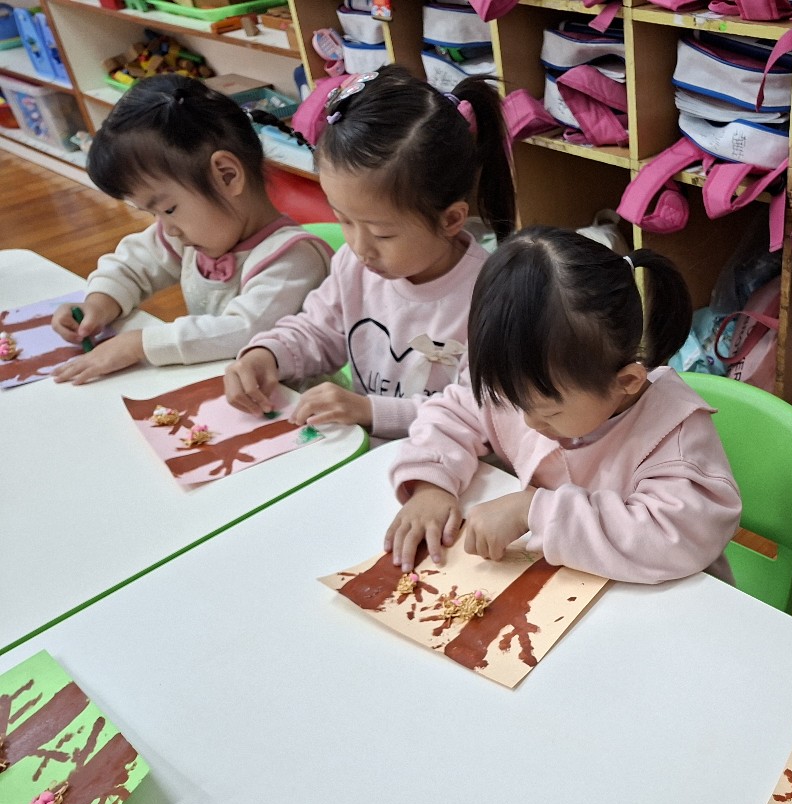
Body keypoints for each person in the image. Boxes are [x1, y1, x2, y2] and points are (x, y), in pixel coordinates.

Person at [384, 226, 742, 584]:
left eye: (549, 413)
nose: (527, 422)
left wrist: (532, 511)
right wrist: (431, 486)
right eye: (512, 401)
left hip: (669, 599)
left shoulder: (674, 436)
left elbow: (669, 539)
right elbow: (454, 412)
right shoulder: (527, 385)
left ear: (626, 382)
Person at [224, 67, 514, 439]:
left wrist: (370, 410)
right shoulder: (353, 266)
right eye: (343, 220)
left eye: (382, 234)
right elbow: (316, 330)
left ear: (451, 220)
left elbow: (480, 412)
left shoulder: (492, 298)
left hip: (449, 459)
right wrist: (267, 355)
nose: (360, 248)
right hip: (364, 451)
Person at [50, 75, 332, 384]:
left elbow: (244, 331)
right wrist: (100, 301)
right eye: (153, 213)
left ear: (226, 176)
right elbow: (134, 263)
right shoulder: (193, 234)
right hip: (225, 393)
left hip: (299, 404)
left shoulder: (294, 259)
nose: (167, 228)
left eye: (168, 209)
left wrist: (139, 344)